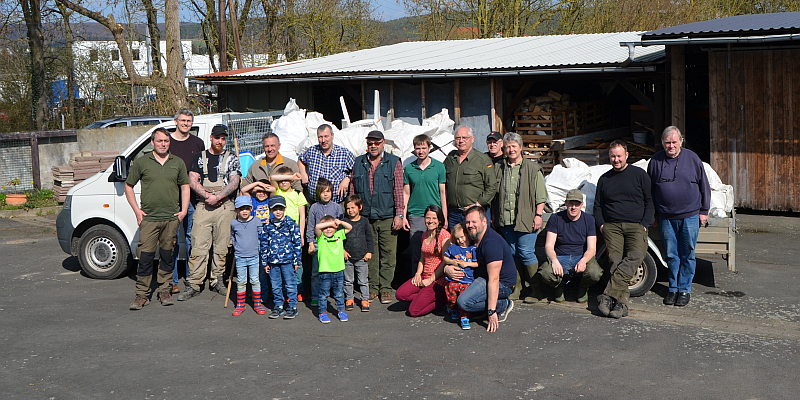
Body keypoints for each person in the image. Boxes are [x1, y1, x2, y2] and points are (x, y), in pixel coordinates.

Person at [124, 128, 190, 310]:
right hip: (150, 219)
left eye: (166, 141)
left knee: (167, 256)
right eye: (159, 141)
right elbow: (128, 186)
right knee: (145, 257)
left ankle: (164, 290)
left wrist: (183, 210)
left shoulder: (177, 162)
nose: (163, 144)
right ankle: (141, 294)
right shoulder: (142, 162)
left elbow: (185, 187)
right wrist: (137, 211)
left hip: (171, 218)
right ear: (152, 142)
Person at [647, 126, 711, 307]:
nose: (671, 146)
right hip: (666, 217)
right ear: (662, 143)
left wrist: (704, 211)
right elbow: (650, 190)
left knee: (687, 254)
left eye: (674, 142)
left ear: (680, 142)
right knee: (671, 254)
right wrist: (654, 214)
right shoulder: (655, 161)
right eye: (667, 143)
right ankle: (673, 288)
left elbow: (704, 186)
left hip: (690, 216)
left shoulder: (692, 159)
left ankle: (685, 289)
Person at [179, 124, 242, 301]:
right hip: (203, 205)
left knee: (222, 247)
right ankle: (194, 283)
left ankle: (217, 280)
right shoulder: (199, 157)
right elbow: (192, 180)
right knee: (199, 245)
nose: (220, 141)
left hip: (225, 206)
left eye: (223, 138)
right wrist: (207, 195)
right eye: (217, 138)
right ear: (211, 138)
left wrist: (219, 196)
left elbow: (235, 181)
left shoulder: (232, 158)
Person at [594, 140, 655, 319]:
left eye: (619, 156)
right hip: (612, 226)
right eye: (613, 156)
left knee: (636, 255)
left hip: (636, 225)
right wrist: (602, 224)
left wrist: (645, 223)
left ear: (627, 155)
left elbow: (649, 201)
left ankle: (607, 295)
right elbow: (598, 206)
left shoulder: (639, 175)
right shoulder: (604, 179)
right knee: (614, 260)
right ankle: (621, 305)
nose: (616, 159)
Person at [350, 130, 405, 304]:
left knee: (388, 254)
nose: (373, 146)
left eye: (377, 143)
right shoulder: (358, 162)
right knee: (370, 254)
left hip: (388, 215)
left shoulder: (393, 162)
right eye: (370, 143)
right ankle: (372, 288)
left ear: (383, 144)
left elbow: (398, 191)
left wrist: (400, 214)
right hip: (365, 217)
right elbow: (353, 190)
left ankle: (386, 288)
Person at [492, 132, 548, 303]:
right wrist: (495, 216)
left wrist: (538, 215)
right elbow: (495, 194)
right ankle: (517, 288)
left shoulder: (532, 168)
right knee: (512, 252)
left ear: (520, 148)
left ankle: (536, 289)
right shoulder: (499, 167)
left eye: (514, 146)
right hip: (506, 218)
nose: (511, 150)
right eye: (508, 147)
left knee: (526, 252)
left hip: (527, 217)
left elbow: (541, 195)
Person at [446, 206, 516, 332]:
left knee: (463, 302)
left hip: (502, 284)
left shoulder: (491, 243)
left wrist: (491, 311)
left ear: (484, 221)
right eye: (468, 222)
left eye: (474, 222)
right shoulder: (471, 237)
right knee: (456, 297)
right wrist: (447, 268)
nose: (470, 225)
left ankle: (503, 304)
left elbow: (494, 279)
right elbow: (455, 256)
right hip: (481, 278)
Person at [536, 189, 603, 303]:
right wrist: (554, 260)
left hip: (580, 256)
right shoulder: (556, 218)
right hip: (561, 256)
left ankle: (583, 287)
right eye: (571, 203)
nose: (573, 207)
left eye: (577, 204)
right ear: (566, 203)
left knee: (595, 273)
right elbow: (549, 245)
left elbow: (592, 248)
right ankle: (558, 286)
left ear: (581, 205)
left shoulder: (589, 220)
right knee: (545, 272)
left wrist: (583, 261)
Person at [168, 108, 205, 294]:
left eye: (189, 121)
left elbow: (203, 170)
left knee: (192, 239)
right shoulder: (167, 142)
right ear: (176, 121)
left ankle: (193, 279)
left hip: (193, 200)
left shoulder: (198, 143)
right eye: (182, 120)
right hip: (172, 199)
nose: (185, 124)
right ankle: (173, 281)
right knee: (172, 240)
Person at [402, 134, 447, 271]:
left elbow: (443, 193)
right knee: (417, 250)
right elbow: (406, 193)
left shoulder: (439, 167)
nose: (420, 151)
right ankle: (416, 281)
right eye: (418, 148)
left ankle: (433, 280)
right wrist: (403, 216)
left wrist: (444, 216)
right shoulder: (409, 168)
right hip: (415, 214)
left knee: (436, 249)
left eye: (423, 148)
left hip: (434, 213)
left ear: (429, 148)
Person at [395, 205, 450, 317]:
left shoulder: (444, 235)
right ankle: (423, 298)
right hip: (424, 276)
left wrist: (430, 280)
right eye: (428, 218)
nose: (430, 221)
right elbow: (422, 259)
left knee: (414, 311)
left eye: (434, 218)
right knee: (400, 295)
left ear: (439, 220)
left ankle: (443, 299)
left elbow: (445, 262)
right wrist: (417, 274)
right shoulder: (424, 235)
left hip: (437, 280)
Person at [444, 126, 498, 226]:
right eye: (458, 138)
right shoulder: (450, 158)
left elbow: (492, 186)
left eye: (465, 138)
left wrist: (478, 204)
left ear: (472, 139)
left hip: (476, 213)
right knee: (456, 241)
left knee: (477, 241)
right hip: (454, 214)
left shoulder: (482, 160)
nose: (461, 141)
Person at [260, 196, 303, 319]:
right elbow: (264, 245)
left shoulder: (291, 224)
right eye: (275, 209)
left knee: (290, 284)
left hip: (288, 261)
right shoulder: (267, 226)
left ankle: (292, 307)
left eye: (280, 209)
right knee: (275, 285)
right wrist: (265, 262)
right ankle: (278, 306)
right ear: (270, 210)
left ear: (285, 209)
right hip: (273, 261)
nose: (278, 212)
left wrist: (296, 261)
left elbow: (297, 243)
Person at [270, 166, 307, 297]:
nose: (284, 182)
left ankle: (298, 289)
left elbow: (302, 216)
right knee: (282, 262)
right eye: (282, 180)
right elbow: (273, 177)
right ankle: (285, 291)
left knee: (297, 262)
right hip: (279, 234)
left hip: (294, 233)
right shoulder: (277, 192)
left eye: (287, 180)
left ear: (292, 182)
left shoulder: (298, 194)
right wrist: (290, 176)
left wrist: (301, 235)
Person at [306, 178, 344, 306]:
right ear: (318, 193)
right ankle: (316, 295)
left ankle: (335, 294)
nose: (326, 194)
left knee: (335, 272)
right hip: (319, 245)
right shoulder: (314, 207)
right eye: (323, 192)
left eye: (328, 191)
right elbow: (310, 226)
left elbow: (341, 228)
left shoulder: (337, 207)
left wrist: (343, 247)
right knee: (316, 272)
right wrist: (311, 243)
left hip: (334, 245)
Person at [297, 124, 354, 204]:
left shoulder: (344, 154)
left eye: (326, 136)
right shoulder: (312, 151)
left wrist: (347, 178)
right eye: (320, 137)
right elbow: (300, 160)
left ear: (332, 136)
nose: (323, 140)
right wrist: (303, 174)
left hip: (336, 204)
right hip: (314, 203)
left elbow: (357, 170)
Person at [230, 195, 266, 316]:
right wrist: (237, 248)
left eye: (246, 208)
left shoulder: (256, 221)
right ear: (236, 210)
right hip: (240, 257)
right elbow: (233, 237)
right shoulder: (234, 223)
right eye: (241, 209)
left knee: (255, 280)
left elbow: (261, 236)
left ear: (251, 208)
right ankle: (240, 304)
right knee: (241, 281)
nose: (244, 211)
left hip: (254, 256)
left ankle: (257, 304)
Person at [314, 216, 353, 323]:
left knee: (339, 293)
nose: (329, 229)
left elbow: (349, 227)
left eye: (331, 227)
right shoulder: (321, 237)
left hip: (338, 270)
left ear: (336, 228)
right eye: (326, 227)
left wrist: (339, 222)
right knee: (324, 294)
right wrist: (330, 223)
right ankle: (322, 312)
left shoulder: (338, 235)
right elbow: (317, 226)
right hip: (325, 271)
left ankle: (341, 311)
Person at [442, 223, 477, 330]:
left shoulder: (473, 249)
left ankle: (464, 318)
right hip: (452, 280)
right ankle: (452, 309)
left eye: (462, 237)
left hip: (466, 281)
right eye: (457, 238)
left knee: (463, 300)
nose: (461, 241)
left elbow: (477, 263)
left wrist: (467, 264)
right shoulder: (453, 247)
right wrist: (452, 261)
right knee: (451, 298)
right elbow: (445, 258)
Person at [342, 194, 373, 312]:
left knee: (363, 280)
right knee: (348, 280)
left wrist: (369, 251)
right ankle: (349, 298)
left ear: (360, 207)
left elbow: (369, 238)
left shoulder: (364, 221)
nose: (350, 210)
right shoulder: (344, 221)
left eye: (353, 207)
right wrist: (342, 251)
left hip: (362, 256)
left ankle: (365, 299)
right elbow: (339, 238)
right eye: (348, 208)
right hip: (347, 257)